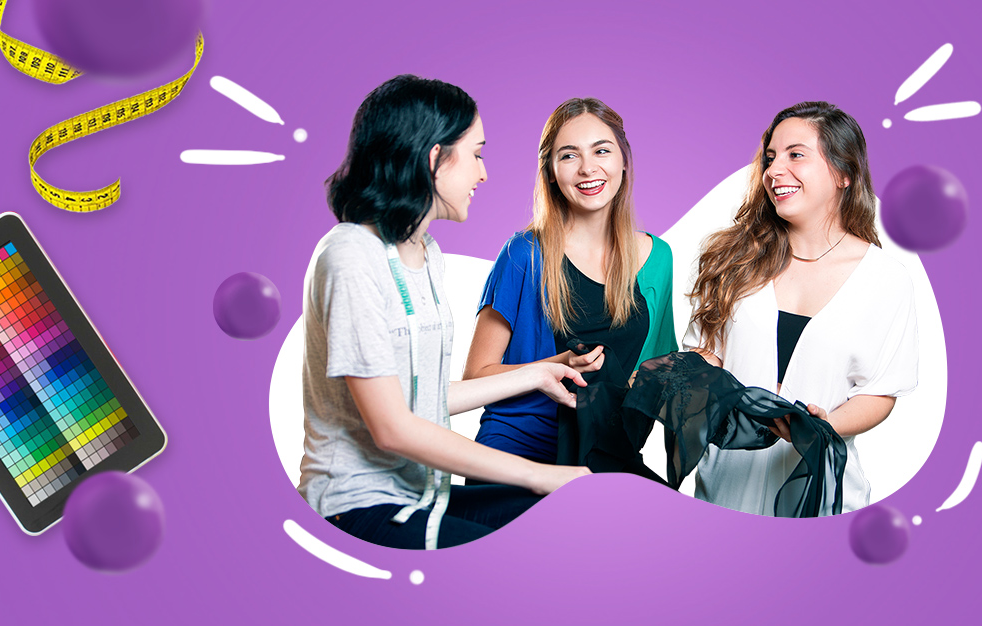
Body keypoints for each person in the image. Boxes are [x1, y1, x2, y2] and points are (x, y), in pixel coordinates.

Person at [297, 75, 590, 550]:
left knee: (571, 518)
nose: (483, 174)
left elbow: (423, 400)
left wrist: (536, 374)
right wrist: (541, 475)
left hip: (423, 495)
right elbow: (392, 427)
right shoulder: (350, 256)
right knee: (523, 556)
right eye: (476, 154)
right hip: (356, 506)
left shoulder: (425, 253)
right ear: (435, 157)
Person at [684, 101, 918, 516]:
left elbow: (879, 391)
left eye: (796, 155)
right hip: (725, 488)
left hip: (821, 493)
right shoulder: (732, 258)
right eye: (770, 157)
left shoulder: (885, 279)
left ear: (844, 173)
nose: (774, 170)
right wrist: (696, 381)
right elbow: (706, 353)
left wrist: (822, 426)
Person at [463, 98, 676, 467]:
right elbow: (475, 376)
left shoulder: (658, 258)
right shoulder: (523, 254)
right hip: (518, 453)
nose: (587, 168)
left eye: (601, 151)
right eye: (568, 155)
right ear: (550, 171)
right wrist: (556, 365)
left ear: (624, 160)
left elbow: (656, 369)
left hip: (603, 453)